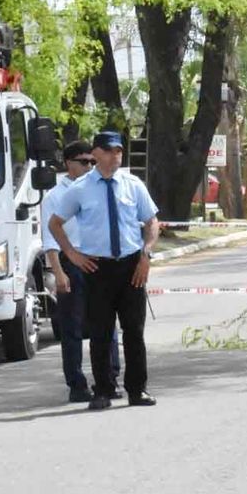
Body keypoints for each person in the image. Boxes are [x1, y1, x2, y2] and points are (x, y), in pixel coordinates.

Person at [48, 130, 161, 411]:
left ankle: (138, 389)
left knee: (134, 331)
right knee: (100, 332)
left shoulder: (132, 185)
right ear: (96, 153)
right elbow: (55, 224)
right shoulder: (80, 188)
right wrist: (72, 255)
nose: (115, 156)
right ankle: (103, 390)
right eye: (109, 151)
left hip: (131, 265)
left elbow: (152, 222)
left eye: (119, 151)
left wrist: (146, 255)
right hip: (97, 268)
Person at [42, 140, 121, 403]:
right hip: (71, 262)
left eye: (92, 161)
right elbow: (50, 238)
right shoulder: (55, 195)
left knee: (108, 323)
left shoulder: (97, 188)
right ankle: (76, 384)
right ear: (68, 164)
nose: (89, 166)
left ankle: (110, 378)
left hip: (100, 261)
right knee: (73, 328)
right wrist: (59, 273)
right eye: (83, 162)